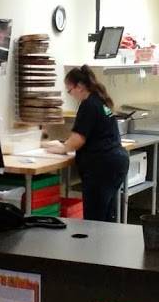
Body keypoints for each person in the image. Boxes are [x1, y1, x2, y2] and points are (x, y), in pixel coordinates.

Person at [45, 65, 129, 222]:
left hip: (101, 167)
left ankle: (94, 239)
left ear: (79, 86)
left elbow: (78, 140)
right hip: (116, 162)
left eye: (69, 91)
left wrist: (62, 148)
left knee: (94, 219)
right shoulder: (100, 101)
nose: (71, 95)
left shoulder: (88, 104)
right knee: (106, 216)